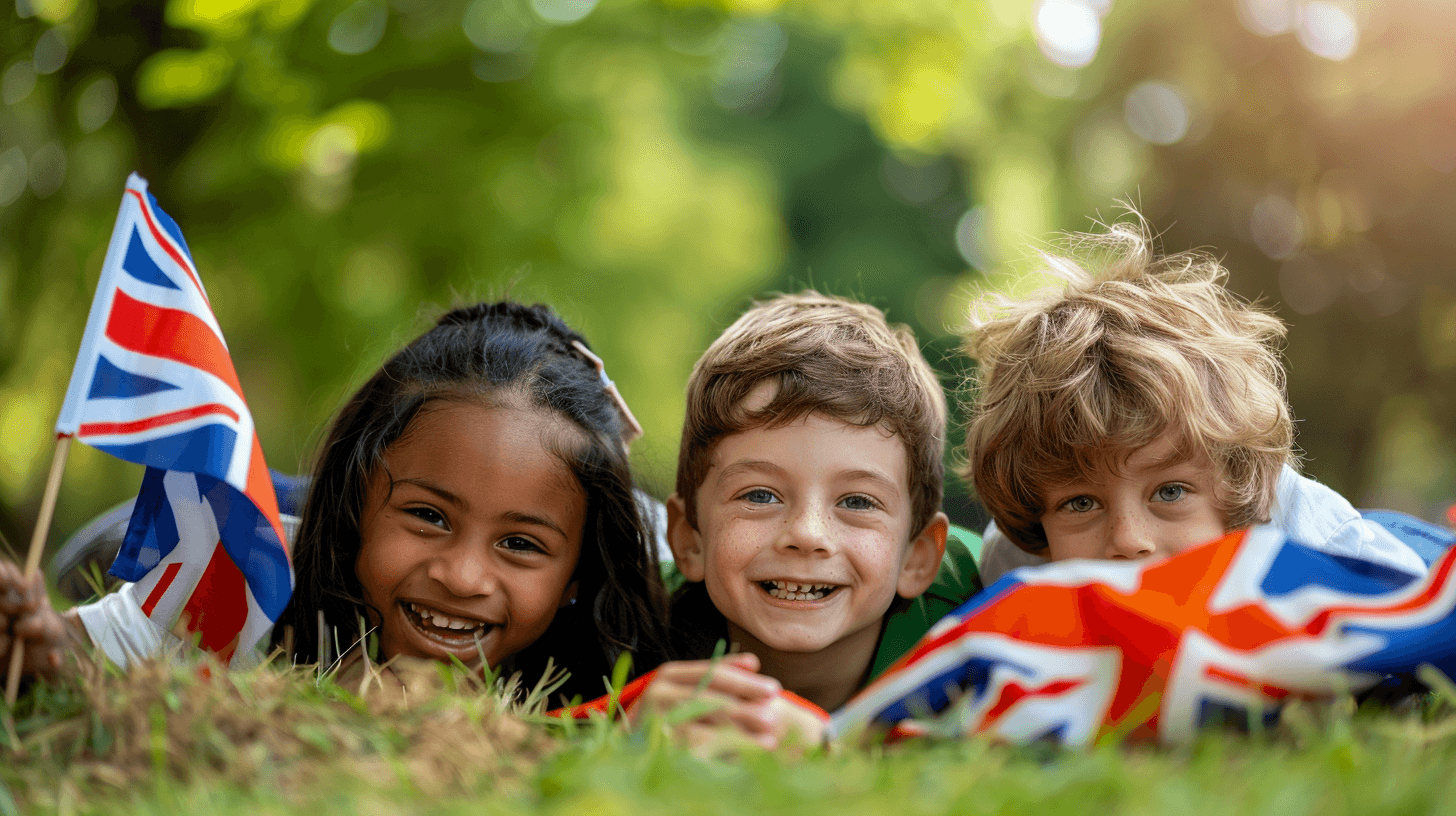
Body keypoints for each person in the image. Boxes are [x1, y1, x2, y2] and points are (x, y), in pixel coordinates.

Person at [1, 302, 670, 703]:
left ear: (579, 571)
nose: (462, 576)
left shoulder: (636, 589)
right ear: (356, 498)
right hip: (283, 527)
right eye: (429, 516)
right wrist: (35, 640)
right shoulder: (250, 564)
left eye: (519, 544)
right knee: (122, 548)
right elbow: (82, 652)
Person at [567, 292, 982, 748]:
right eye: (760, 495)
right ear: (689, 539)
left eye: (858, 502)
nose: (806, 534)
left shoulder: (981, 607)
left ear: (917, 556)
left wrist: (834, 745)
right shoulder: (626, 620)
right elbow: (508, 730)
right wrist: (621, 724)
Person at [963, 221, 1428, 583]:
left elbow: (1424, 613)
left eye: (1170, 492)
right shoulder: (1019, 567)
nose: (1128, 540)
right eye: (1080, 503)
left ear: (1236, 493)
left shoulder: (1316, 544)